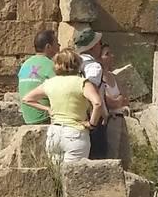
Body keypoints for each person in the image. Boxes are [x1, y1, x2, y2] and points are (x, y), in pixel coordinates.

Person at [20, 49, 105, 164]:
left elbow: (27, 99)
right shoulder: (82, 83)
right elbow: (97, 103)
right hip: (75, 133)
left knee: (57, 173)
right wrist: (92, 124)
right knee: (74, 173)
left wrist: (48, 109)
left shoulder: (50, 83)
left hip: (54, 133)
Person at [71, 27, 110, 159]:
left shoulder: (72, 64)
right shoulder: (94, 67)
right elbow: (91, 91)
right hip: (92, 118)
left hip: (74, 115)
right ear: (93, 46)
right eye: (99, 43)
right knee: (97, 159)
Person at [97, 42, 131, 167]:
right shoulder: (99, 78)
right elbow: (110, 102)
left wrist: (118, 100)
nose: (112, 56)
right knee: (112, 154)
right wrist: (118, 100)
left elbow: (125, 98)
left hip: (121, 118)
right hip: (111, 120)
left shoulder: (113, 76)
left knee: (124, 155)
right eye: (107, 54)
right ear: (99, 58)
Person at [17, 30, 59, 125]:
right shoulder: (50, 65)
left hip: (27, 117)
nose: (59, 46)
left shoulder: (25, 64)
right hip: (44, 117)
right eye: (57, 43)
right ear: (48, 47)